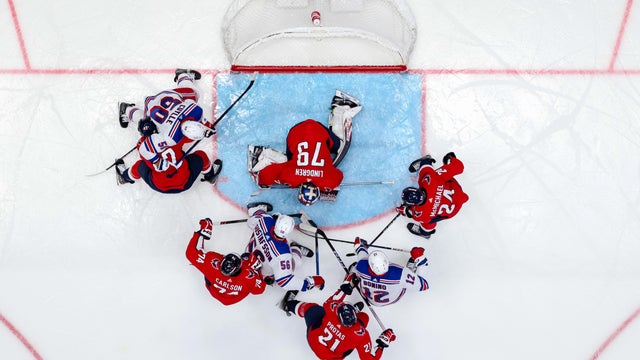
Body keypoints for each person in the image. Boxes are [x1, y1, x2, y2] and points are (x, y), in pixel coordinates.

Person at [114, 68, 222, 193]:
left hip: (158, 184)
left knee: (139, 166)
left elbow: (143, 148)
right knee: (201, 156)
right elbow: (193, 129)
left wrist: (156, 161)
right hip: (185, 182)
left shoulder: (151, 142)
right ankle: (210, 174)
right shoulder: (176, 136)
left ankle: (124, 177)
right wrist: (206, 129)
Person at [247, 90, 362, 205]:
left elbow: (338, 175)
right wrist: (261, 181)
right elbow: (267, 175)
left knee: (339, 147)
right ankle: (260, 154)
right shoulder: (291, 177)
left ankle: (341, 107)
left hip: (307, 131)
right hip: (296, 132)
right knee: (289, 162)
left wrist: (326, 185)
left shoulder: (328, 181)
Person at [278, 273, 397, 359]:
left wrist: (348, 284)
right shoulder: (361, 335)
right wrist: (382, 344)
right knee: (364, 317)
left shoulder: (331, 311)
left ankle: (288, 305)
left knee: (311, 308)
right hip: (332, 357)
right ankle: (354, 313)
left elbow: (337, 297)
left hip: (314, 337)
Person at [118, 68, 215, 147]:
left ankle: (126, 108)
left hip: (165, 98)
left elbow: (199, 118)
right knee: (146, 124)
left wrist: (207, 127)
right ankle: (126, 109)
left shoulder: (194, 109)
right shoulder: (171, 138)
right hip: (155, 104)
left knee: (193, 93)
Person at [244, 202, 325, 292]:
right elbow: (285, 281)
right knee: (296, 262)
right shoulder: (283, 255)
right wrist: (309, 283)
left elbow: (250, 222)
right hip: (262, 273)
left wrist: (267, 216)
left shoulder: (264, 220)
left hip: (248, 257)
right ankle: (296, 247)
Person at [185, 218, 266, 306]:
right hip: (233, 298)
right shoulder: (248, 277)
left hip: (213, 289)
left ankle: (206, 269)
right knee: (250, 260)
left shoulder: (211, 265)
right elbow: (260, 290)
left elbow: (191, 253)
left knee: (206, 267)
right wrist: (257, 270)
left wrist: (202, 232)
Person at [396, 152, 469, 239]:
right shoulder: (432, 179)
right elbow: (459, 167)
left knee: (428, 221)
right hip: (455, 191)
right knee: (429, 174)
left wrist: (405, 210)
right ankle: (426, 161)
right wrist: (451, 158)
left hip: (453, 209)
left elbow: (411, 212)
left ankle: (425, 233)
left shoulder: (421, 213)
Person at [350, 237, 429, 306]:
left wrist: (359, 245)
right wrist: (421, 260)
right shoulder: (399, 272)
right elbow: (424, 285)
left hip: (368, 298)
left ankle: (352, 279)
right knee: (405, 278)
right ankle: (413, 271)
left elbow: (360, 250)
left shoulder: (361, 265)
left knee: (355, 268)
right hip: (393, 299)